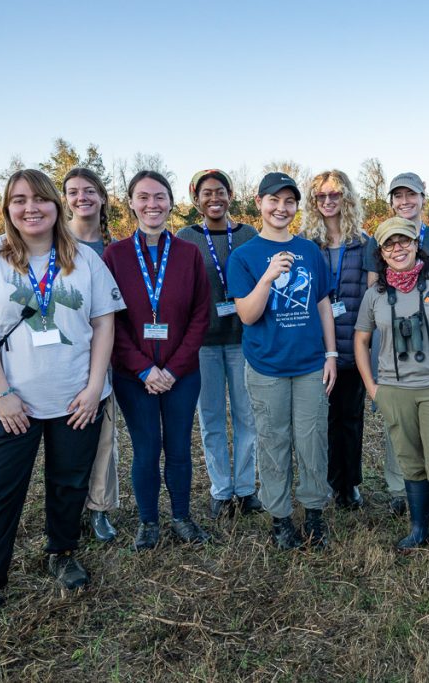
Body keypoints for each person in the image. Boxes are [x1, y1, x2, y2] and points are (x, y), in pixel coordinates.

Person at [0, 169, 123, 638]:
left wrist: (93, 388)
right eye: (19, 200)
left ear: (56, 206)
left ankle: (62, 553)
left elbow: (104, 324)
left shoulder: (85, 260)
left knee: (68, 484)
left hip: (76, 399)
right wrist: (2, 394)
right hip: (9, 404)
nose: (30, 208)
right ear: (7, 208)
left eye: (40, 199)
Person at [227, 172, 338, 551]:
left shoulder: (309, 250)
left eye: (289, 201)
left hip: (309, 366)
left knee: (312, 443)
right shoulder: (244, 256)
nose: (281, 208)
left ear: (296, 207)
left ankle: (314, 515)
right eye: (273, 200)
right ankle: (280, 518)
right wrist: (269, 276)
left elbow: (323, 304)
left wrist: (332, 355)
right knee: (274, 444)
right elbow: (247, 315)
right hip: (266, 368)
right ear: (258, 203)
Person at [355, 217, 429, 563]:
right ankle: (419, 527)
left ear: (415, 243)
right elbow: (361, 340)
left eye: (404, 241)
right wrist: (373, 388)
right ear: (381, 252)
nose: (398, 249)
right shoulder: (375, 295)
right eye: (390, 244)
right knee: (410, 462)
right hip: (394, 390)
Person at [103, 171, 212, 551]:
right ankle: (149, 521)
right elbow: (110, 322)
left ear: (171, 202)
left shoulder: (188, 253)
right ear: (131, 202)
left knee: (180, 448)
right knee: (146, 449)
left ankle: (182, 516)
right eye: (144, 197)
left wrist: (173, 368)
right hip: (134, 377)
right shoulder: (114, 255)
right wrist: (145, 369)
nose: (153, 204)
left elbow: (201, 315)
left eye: (160, 196)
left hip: (182, 374)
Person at [362, 172, 429, 514]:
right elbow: (375, 290)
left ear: (422, 197)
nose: (405, 202)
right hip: (393, 348)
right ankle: (400, 490)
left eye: (411, 195)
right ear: (391, 202)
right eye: (398, 197)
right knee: (397, 423)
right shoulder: (380, 238)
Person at [176, 169, 261, 520]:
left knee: (247, 417)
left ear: (231, 195)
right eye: (207, 193)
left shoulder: (248, 235)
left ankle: (245, 488)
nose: (215, 199)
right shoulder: (185, 237)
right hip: (204, 344)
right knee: (210, 419)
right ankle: (220, 489)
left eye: (220, 192)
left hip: (243, 340)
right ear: (196, 198)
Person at [300, 170, 369, 510]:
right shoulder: (306, 245)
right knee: (323, 420)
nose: (328, 202)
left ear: (347, 198)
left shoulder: (364, 243)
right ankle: (327, 481)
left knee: (351, 418)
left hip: (354, 345)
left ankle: (350, 484)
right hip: (319, 347)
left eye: (335, 195)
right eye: (321, 196)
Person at [62, 167, 121, 542]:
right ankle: (67, 507)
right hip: (60, 356)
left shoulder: (113, 250)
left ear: (102, 197)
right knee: (63, 440)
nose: (81, 197)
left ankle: (99, 508)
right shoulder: (49, 242)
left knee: (103, 436)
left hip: (103, 359)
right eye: (72, 192)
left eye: (89, 191)